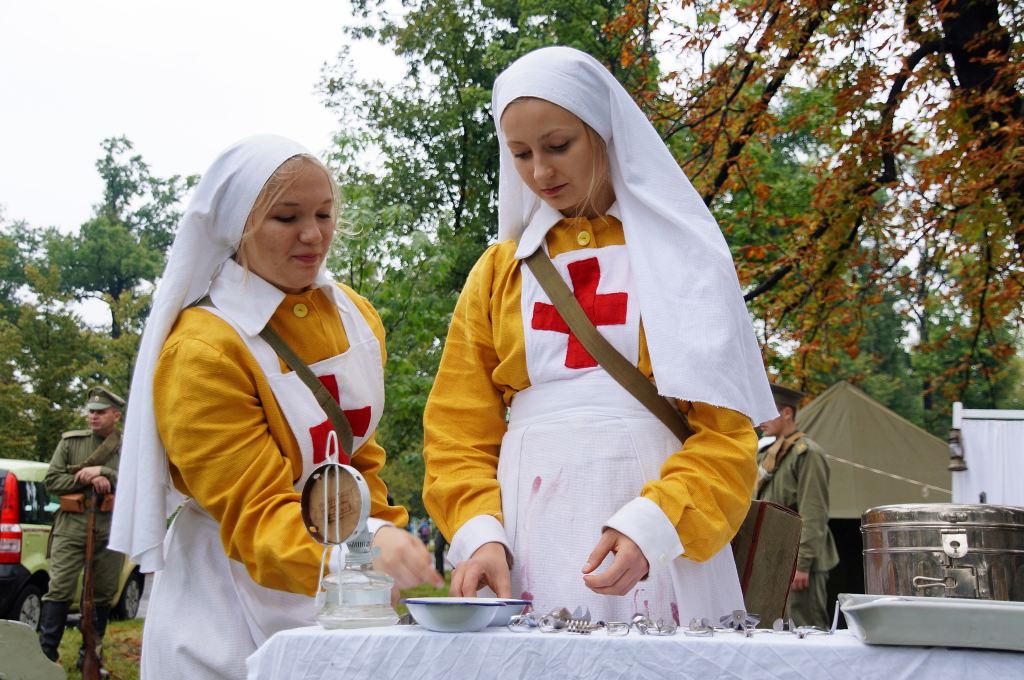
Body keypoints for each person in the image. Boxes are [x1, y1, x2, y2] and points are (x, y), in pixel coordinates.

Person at [422, 46, 777, 625]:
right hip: (526, 535)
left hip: (659, 535)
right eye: (521, 154)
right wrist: (480, 534)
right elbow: (458, 430)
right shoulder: (498, 272)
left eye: (559, 146)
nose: (541, 172)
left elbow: (726, 435)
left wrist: (654, 525)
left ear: (605, 134)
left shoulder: (682, 258)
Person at [109, 135, 442, 680]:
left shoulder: (356, 317)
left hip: (347, 594)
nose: (313, 235)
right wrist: (366, 552)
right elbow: (253, 511)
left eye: (324, 214)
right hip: (225, 598)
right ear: (236, 225)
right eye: (287, 217)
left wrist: (384, 535)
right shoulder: (200, 350)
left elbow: (359, 460)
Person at [40, 386, 125, 669]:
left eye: (101, 412)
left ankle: (91, 656)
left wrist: (106, 473)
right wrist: (87, 478)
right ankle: (46, 656)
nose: (93, 417)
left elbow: (138, 483)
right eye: (91, 412)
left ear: (116, 415)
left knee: (103, 592)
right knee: (60, 588)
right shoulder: (70, 443)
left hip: (112, 528)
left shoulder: (128, 447)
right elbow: (52, 481)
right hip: (72, 527)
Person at [755, 383, 839, 629]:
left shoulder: (807, 454)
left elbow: (813, 514)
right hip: (775, 559)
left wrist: (801, 564)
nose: (760, 420)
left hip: (801, 564)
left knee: (806, 630)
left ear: (787, 413)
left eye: (767, 412)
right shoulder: (767, 454)